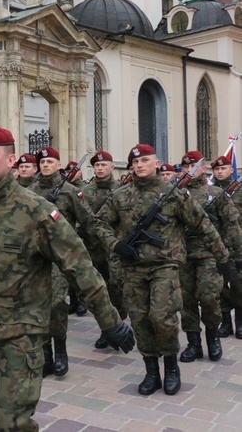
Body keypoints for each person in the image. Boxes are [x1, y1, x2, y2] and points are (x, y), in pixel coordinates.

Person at [0, 125, 133, 431]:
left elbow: (79, 267)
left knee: (13, 423)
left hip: (20, 335)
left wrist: (110, 321)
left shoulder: (36, 211)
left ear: (10, 161)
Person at [94, 144, 229, 396]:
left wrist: (223, 257)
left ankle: (171, 366)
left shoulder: (174, 194)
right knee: (140, 319)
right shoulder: (120, 195)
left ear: (156, 163)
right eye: (135, 162)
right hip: (132, 267)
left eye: (145, 160)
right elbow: (99, 222)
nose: (139, 165)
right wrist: (116, 244)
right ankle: (151, 371)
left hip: (165, 265)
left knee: (162, 317)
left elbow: (202, 224)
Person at [27, 146, 97, 376]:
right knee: (39, 304)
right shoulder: (29, 191)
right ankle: (45, 353)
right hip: (36, 258)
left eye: (50, 161)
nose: (46, 165)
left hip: (60, 257)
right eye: (43, 162)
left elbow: (88, 222)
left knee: (57, 303)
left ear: (58, 165)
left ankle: (61, 349)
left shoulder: (70, 191)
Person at [178, 151, 242, 363]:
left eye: (193, 166)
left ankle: (213, 338)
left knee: (208, 297)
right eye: (185, 167)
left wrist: (235, 253)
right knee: (186, 301)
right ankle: (193, 343)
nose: (189, 170)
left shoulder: (215, 193)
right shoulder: (174, 194)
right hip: (182, 256)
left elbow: (231, 224)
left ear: (203, 168)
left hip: (209, 255)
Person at [81, 150, 127, 349]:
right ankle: (105, 328)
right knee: (98, 290)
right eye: (96, 166)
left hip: (115, 248)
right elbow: (82, 218)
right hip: (94, 248)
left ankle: (119, 322)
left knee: (116, 288)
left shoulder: (122, 189)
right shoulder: (86, 191)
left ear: (112, 167)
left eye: (103, 165)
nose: (99, 169)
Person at [211, 155, 242, 338]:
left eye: (223, 168)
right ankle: (226, 323)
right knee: (220, 285)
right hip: (217, 245)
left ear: (232, 170)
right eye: (217, 169)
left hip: (237, 245)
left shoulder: (239, 190)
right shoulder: (210, 192)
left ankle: (239, 322)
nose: (220, 172)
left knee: (238, 284)